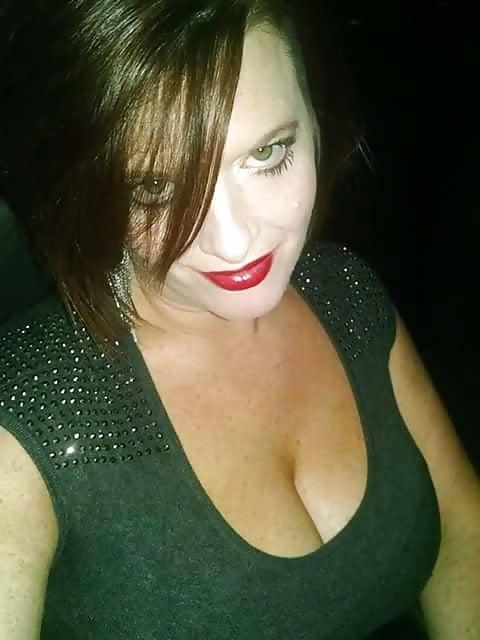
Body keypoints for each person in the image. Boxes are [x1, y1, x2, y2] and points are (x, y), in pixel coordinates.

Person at [0, 1, 479, 639]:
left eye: (267, 153)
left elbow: (462, 530)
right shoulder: (25, 415)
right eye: (154, 188)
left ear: (316, 115)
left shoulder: (348, 294)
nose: (233, 242)